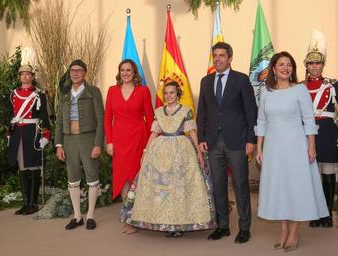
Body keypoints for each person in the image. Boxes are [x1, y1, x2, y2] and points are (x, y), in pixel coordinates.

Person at [120, 81, 215, 237]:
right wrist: (145, 150)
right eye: (166, 93)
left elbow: (191, 132)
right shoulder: (158, 112)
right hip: (160, 150)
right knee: (160, 186)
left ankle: (178, 224)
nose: (169, 96)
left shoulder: (186, 111)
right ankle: (163, 221)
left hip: (181, 151)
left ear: (178, 94)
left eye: (172, 92)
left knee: (178, 188)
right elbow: (154, 133)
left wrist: (198, 150)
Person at [256, 51, 329, 252]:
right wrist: (259, 148)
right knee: (279, 188)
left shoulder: (300, 90)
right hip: (273, 149)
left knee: (296, 188)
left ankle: (294, 232)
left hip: (297, 147)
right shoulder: (266, 92)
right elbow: (261, 121)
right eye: (281, 64)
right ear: (273, 68)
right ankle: (283, 232)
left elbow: (309, 120)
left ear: (293, 69)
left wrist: (311, 146)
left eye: (289, 65)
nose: (285, 68)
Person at [197, 42, 257, 243]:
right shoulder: (206, 81)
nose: (217, 59)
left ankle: (244, 228)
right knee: (218, 185)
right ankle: (222, 226)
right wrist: (201, 139)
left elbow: (251, 111)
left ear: (230, 58)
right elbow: (202, 114)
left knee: (240, 184)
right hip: (213, 142)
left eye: (221, 55)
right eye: (215, 55)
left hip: (237, 141)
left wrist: (251, 139)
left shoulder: (241, 79)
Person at [104, 59, 154, 231]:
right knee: (123, 178)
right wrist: (109, 141)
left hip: (138, 138)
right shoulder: (112, 91)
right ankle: (128, 217)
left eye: (129, 70)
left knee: (137, 177)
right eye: (122, 70)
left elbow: (150, 118)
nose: (125, 73)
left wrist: (150, 144)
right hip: (119, 139)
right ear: (119, 72)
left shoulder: (143, 91)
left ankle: (140, 216)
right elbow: (106, 118)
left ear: (134, 73)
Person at [55, 59, 104, 230]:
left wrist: (98, 144)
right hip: (69, 140)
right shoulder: (65, 94)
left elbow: (101, 120)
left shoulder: (93, 92)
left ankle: (90, 215)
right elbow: (59, 122)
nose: (75, 73)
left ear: (84, 73)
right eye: (72, 71)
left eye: (79, 70)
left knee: (92, 176)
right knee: (72, 178)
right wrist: (59, 144)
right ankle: (77, 217)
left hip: (88, 139)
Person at [303, 31, 338, 228]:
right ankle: (314, 213)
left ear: (322, 65)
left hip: (326, 131)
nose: (314, 66)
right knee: (311, 175)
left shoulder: (333, 85)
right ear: (306, 65)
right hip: (307, 133)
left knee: (326, 172)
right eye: (311, 63)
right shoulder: (299, 87)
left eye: (317, 63)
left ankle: (326, 215)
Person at [7, 64, 51, 215]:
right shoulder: (13, 94)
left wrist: (45, 135)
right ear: (19, 77)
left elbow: (44, 116)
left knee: (33, 166)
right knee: (22, 167)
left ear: (32, 76)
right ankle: (26, 203)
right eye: (22, 74)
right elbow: (9, 115)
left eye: (28, 74)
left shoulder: (39, 94)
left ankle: (33, 204)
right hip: (17, 133)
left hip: (32, 132)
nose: (25, 77)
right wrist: (9, 132)